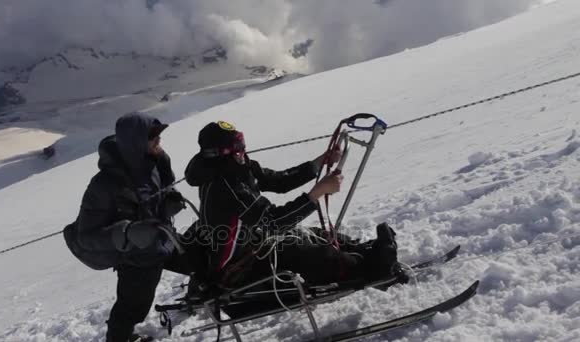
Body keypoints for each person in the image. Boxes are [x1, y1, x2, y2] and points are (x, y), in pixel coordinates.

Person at [183, 121, 407, 291]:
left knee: (311, 234)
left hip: (252, 244)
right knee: (301, 251)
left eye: (242, 144)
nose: (243, 151)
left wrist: (319, 163)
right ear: (222, 154)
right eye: (237, 147)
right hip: (237, 269)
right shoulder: (226, 184)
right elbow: (273, 222)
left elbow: (279, 181)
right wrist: (317, 193)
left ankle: (363, 252)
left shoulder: (236, 168)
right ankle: (373, 269)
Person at [63, 112, 188, 342]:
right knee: (131, 309)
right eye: (154, 139)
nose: (159, 143)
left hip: (163, 243)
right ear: (136, 142)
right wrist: (126, 233)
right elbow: (86, 237)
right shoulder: (103, 185)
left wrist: (170, 201)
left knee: (202, 258)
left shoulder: (157, 162)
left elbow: (163, 190)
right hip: (135, 259)